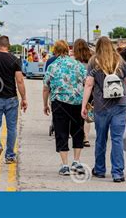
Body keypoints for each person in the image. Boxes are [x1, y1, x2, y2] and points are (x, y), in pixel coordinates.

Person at [82, 37, 126, 182]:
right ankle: (118, 172)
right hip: (120, 105)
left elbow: (88, 85)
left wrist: (84, 105)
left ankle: (99, 169)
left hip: (101, 106)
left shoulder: (94, 61)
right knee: (117, 139)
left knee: (101, 138)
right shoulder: (120, 61)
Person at [43, 40, 86, 176]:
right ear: (68, 50)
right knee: (77, 131)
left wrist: (45, 104)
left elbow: (46, 88)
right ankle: (77, 162)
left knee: (61, 132)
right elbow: (87, 83)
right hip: (77, 102)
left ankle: (65, 165)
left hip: (59, 102)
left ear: (55, 51)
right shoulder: (78, 65)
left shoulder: (52, 66)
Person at [0, 36, 27, 166]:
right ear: (9, 45)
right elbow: (19, 81)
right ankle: (10, 156)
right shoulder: (15, 59)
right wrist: (24, 98)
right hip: (11, 98)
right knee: (12, 127)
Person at [73, 38, 93, 148]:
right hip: (89, 91)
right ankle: (85, 137)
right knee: (87, 114)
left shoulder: (74, 62)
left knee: (78, 114)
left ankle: (78, 135)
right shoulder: (91, 61)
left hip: (77, 92)